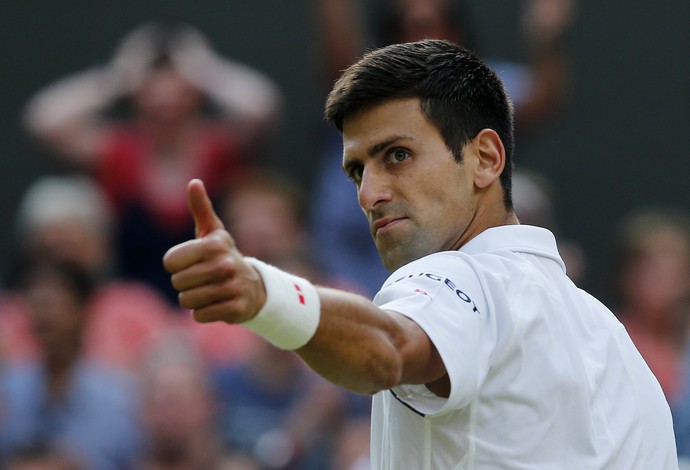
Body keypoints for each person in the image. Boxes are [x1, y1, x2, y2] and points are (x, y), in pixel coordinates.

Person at [162, 40, 678, 468]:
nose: (368, 194)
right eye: (358, 171)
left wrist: (263, 294)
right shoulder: (611, 338)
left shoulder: (464, 276)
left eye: (398, 156)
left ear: (485, 159)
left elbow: (388, 350)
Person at [23, 21, 282, 304]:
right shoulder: (120, 153)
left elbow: (264, 108)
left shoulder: (218, 147)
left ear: (195, 97)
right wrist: (119, 75)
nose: (166, 109)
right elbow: (44, 120)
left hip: (219, 299)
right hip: (132, 312)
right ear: (136, 99)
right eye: (154, 103)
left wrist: (203, 69)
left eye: (178, 99)